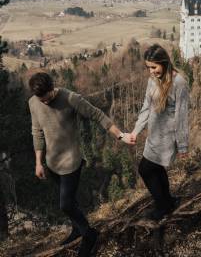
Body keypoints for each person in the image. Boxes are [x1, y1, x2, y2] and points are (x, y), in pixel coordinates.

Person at [28, 72, 134, 257]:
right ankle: (77, 229)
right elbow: (37, 132)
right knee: (71, 203)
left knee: (65, 204)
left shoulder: (70, 98)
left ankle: (89, 234)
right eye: (41, 99)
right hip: (52, 163)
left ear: (53, 88)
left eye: (47, 98)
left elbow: (98, 115)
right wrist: (38, 162)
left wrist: (120, 135)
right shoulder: (34, 103)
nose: (45, 102)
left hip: (71, 161)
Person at [131, 44, 189, 221]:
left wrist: (183, 146)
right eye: (148, 67)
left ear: (164, 62)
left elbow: (182, 117)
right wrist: (136, 131)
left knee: (145, 169)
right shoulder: (152, 80)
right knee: (156, 169)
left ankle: (163, 207)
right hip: (153, 136)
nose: (151, 71)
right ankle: (168, 201)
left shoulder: (179, 83)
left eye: (154, 67)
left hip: (167, 138)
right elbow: (146, 108)